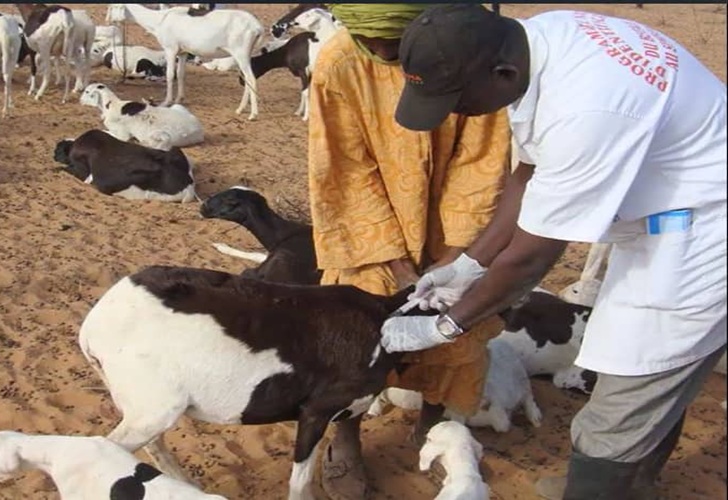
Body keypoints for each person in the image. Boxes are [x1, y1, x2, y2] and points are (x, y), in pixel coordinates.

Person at [382, 4, 727, 499]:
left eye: (457, 99)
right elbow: (530, 173)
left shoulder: (586, 109)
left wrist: (448, 324)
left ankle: (600, 488)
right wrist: (468, 264)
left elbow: (533, 257)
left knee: (628, 394)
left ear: (501, 74)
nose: (454, 113)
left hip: (705, 239)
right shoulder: (541, 40)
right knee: (644, 374)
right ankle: (631, 487)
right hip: (668, 218)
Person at [307, 4, 512, 498]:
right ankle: (347, 438)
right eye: (373, 46)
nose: (384, 56)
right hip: (369, 238)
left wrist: (457, 254)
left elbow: (483, 157)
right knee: (353, 338)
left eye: (396, 48)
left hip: (455, 227)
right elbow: (344, 169)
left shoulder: (468, 51)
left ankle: (434, 427)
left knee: (455, 329)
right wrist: (397, 261)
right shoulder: (337, 66)